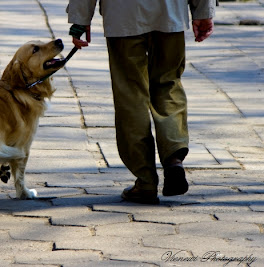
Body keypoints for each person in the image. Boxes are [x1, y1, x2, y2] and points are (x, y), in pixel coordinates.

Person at [67, 0, 216, 204]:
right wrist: (203, 11)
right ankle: (173, 157)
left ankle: (146, 181)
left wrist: (79, 19)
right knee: (168, 83)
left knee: (130, 94)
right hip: (169, 10)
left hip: (123, 14)